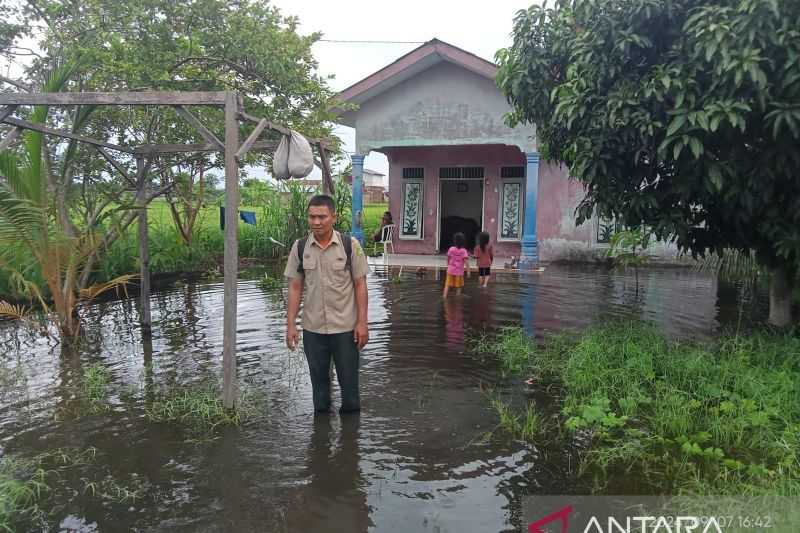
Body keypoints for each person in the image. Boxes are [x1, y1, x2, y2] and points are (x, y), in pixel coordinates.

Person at [285, 195, 370, 414]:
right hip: (313, 330)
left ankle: (351, 442)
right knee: (320, 395)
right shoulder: (300, 247)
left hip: (345, 330)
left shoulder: (350, 246)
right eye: (312, 217)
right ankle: (321, 440)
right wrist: (291, 325)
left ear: (334, 217)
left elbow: (360, 285)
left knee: (350, 393)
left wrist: (362, 323)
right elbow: (295, 287)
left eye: (322, 217)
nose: (316, 222)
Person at [443, 232, 469, 298]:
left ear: (455, 241)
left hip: (450, 270)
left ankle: (444, 297)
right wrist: (468, 271)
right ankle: (457, 299)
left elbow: (448, 258)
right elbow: (466, 262)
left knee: (447, 285)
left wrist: (448, 265)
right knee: (459, 286)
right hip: (459, 272)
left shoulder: (451, 249)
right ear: (463, 241)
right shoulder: (464, 251)